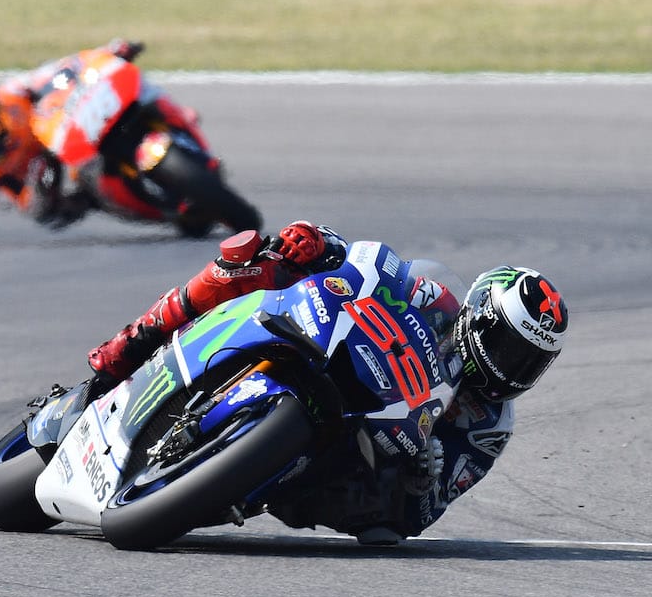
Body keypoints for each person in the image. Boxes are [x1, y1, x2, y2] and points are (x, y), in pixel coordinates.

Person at [86, 221, 569, 545]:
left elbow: (424, 515)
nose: (513, 369)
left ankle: (238, 476)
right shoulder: (435, 298)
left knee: (385, 535)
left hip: (355, 467)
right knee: (254, 262)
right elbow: (370, 269)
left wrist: (425, 479)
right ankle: (130, 345)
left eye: (531, 363)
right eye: (509, 349)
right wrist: (316, 242)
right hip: (347, 361)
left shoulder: (488, 426)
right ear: (480, 316)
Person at [0, 37, 208, 230]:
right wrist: (38, 190)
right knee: (85, 196)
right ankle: (165, 214)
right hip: (49, 175)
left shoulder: (12, 93)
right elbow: (22, 206)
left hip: (62, 127)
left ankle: (177, 118)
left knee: (131, 93)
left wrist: (106, 53)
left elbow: (57, 72)